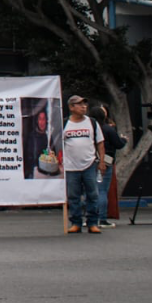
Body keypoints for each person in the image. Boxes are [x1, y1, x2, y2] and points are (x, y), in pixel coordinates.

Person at [62, 95, 104, 234]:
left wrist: (102, 161)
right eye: (79, 104)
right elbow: (58, 144)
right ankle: (76, 223)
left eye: (85, 104)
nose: (83, 107)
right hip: (70, 166)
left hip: (90, 164)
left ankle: (92, 222)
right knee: (73, 196)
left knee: (92, 194)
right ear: (71, 107)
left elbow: (100, 143)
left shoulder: (92, 122)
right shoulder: (64, 124)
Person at [90, 102, 126, 227]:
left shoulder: (90, 128)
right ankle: (102, 218)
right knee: (103, 190)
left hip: (90, 160)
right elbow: (119, 144)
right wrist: (124, 139)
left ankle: (91, 217)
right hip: (106, 160)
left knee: (91, 190)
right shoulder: (108, 129)